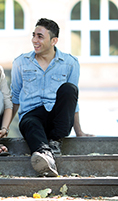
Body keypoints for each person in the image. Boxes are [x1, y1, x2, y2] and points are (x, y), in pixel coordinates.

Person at [11, 18, 91, 177]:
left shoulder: (70, 63)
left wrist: (79, 131)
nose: (34, 40)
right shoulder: (20, 62)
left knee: (69, 89)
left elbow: (72, 101)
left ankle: (54, 141)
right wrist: (4, 128)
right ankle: (46, 155)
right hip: (31, 116)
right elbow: (14, 98)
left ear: (54, 40)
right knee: (30, 122)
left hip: (58, 120)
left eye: (40, 36)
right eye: (33, 35)